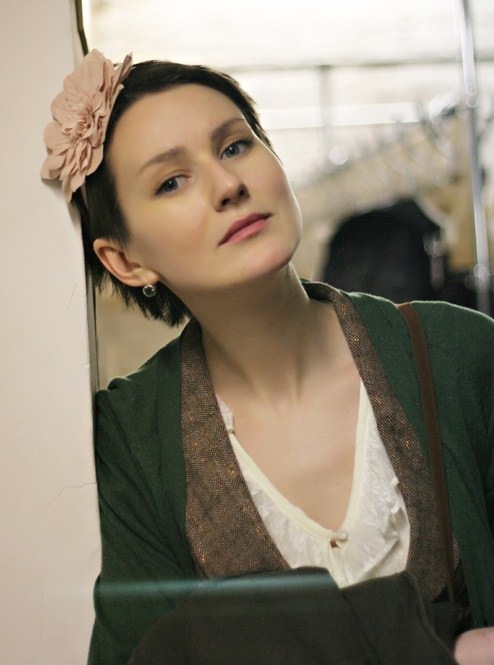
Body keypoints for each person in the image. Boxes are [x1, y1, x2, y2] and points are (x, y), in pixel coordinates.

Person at [41, 50, 494, 665]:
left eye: (235, 146)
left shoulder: (458, 353)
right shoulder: (132, 438)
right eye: (171, 181)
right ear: (125, 260)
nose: (229, 185)